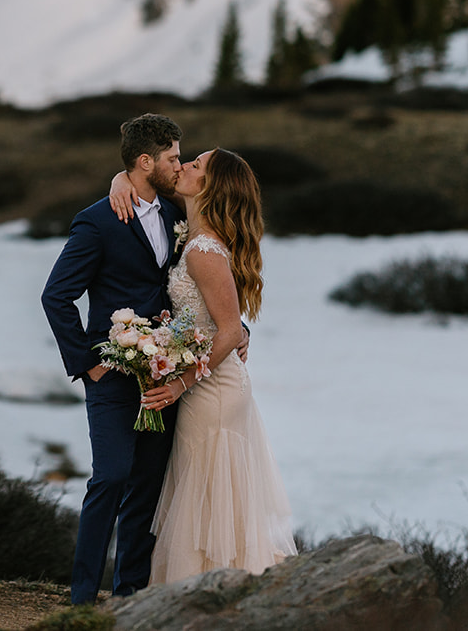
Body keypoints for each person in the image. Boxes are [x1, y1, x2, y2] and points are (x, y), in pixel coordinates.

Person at [40, 114, 249, 604]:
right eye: (174, 157)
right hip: (112, 374)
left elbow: (205, 283)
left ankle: (130, 594)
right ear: (145, 161)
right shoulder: (98, 221)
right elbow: (56, 297)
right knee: (110, 477)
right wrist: (88, 362)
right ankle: (82, 597)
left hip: (167, 374)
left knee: (148, 488)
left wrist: (235, 326)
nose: (181, 165)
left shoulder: (181, 213)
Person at [108, 147, 296, 583]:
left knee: (207, 504)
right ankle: (210, 594)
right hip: (209, 387)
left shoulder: (202, 249)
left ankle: (207, 595)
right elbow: (147, 181)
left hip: (212, 393)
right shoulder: (193, 227)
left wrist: (178, 386)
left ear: (209, 186)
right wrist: (122, 180)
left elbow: (229, 331)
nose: (184, 166)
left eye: (196, 165)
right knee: (209, 502)